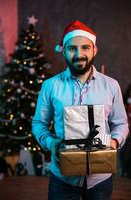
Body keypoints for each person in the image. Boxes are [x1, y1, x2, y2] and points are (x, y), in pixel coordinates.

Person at [32, 20, 129, 200]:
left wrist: (114, 142)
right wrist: (51, 143)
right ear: (64, 51)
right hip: (62, 178)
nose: (79, 54)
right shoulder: (50, 86)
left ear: (94, 50)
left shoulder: (111, 85)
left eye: (85, 47)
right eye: (72, 48)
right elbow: (39, 123)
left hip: (100, 179)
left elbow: (121, 123)